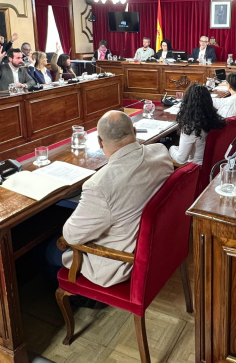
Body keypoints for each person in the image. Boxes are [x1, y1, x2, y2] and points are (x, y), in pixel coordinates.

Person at [54, 110, 173, 287]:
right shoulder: (160, 151)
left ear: (99, 142)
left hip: (121, 264)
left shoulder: (99, 185)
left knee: (50, 250)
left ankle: (81, 299)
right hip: (159, 246)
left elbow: (71, 237)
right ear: (134, 130)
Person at [169, 84, 226, 165]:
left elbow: (181, 159)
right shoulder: (215, 119)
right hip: (212, 164)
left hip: (195, 169)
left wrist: (170, 148)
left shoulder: (191, 127)